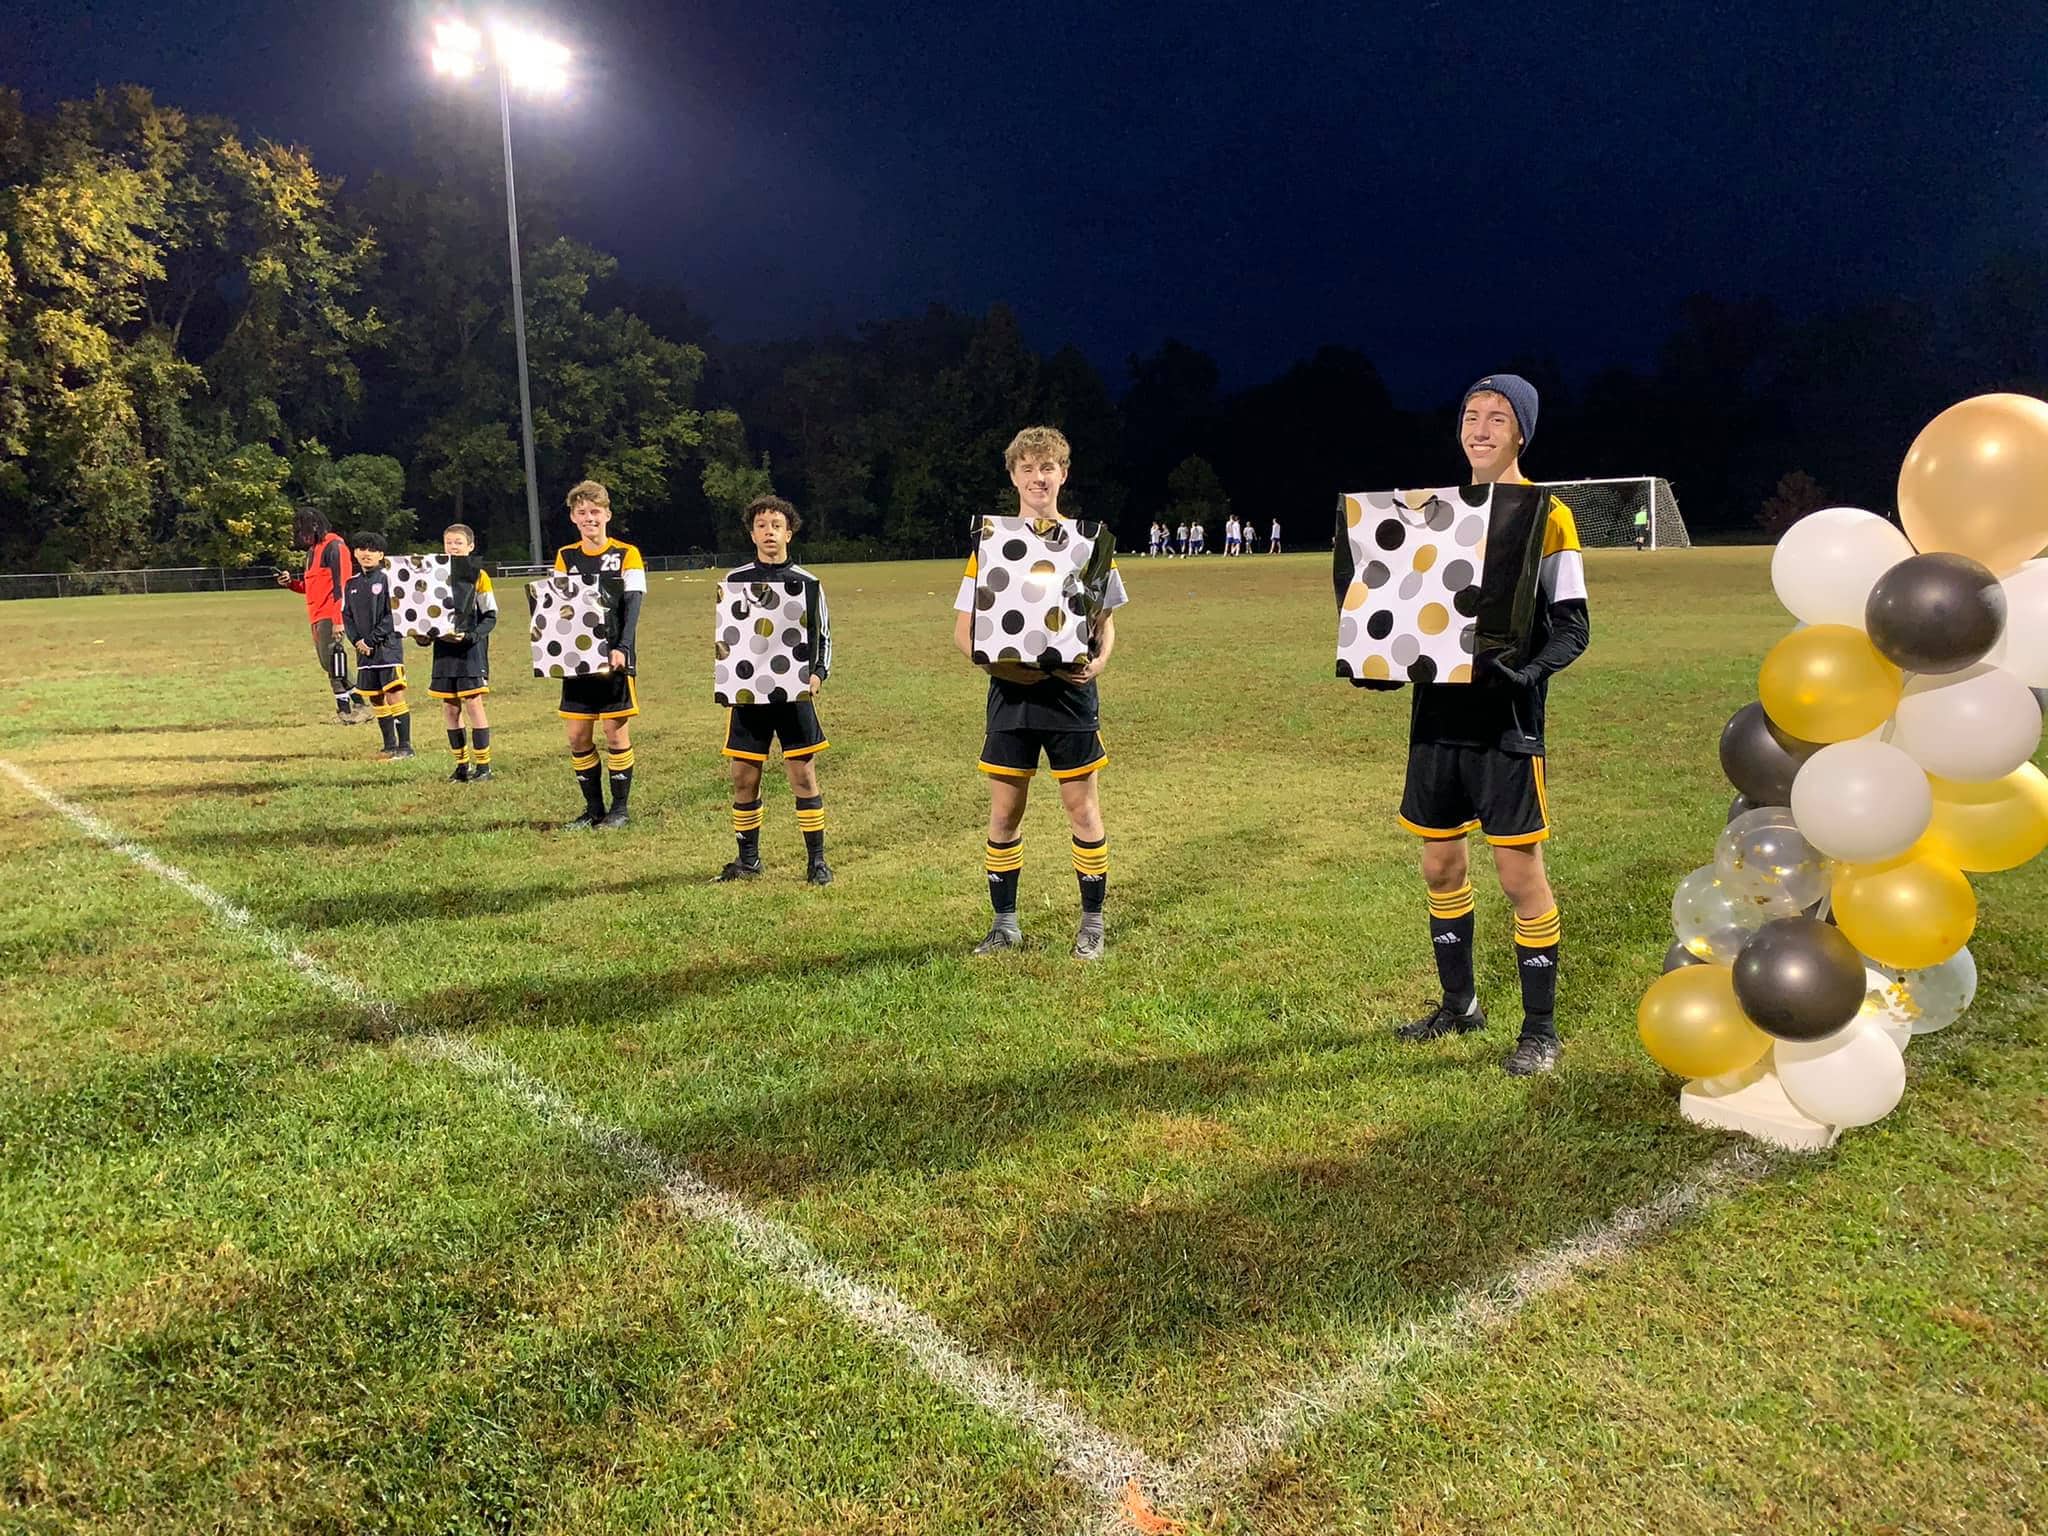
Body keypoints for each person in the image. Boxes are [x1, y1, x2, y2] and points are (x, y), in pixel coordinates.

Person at [1357, 373, 1589, 1076]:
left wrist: (1526, 674)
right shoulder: (1431, 513)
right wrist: (1378, 661)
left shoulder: (1546, 515)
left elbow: (1573, 626)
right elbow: (1404, 617)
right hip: (1436, 724)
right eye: (1471, 415)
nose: (1481, 428)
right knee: (1439, 865)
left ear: (1522, 432)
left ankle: (1540, 1030)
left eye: (1498, 418)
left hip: (1505, 730)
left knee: (1521, 877)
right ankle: (1460, 1007)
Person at [953, 426, 1127, 960]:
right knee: (1005, 813)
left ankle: (1091, 924)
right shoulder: (990, 544)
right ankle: (1005, 926)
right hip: (1011, 696)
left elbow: (1106, 620)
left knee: (1083, 809)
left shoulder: (1090, 542)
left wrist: (1099, 660)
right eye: (1026, 468)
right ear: (1013, 477)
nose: (1037, 476)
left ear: (1063, 473)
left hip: (1071, 696)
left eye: (1047, 466)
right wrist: (998, 666)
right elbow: (964, 631)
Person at [714, 494, 835, 886]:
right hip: (749, 695)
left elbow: (822, 635)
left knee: (803, 775)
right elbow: (726, 639)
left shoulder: (808, 584)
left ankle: (816, 862)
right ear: (752, 534)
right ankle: (748, 860)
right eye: (762, 525)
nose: (770, 532)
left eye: (777, 526)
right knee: (743, 776)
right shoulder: (734, 582)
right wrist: (728, 678)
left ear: (789, 533)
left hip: (793, 693)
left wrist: (818, 673)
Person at [553, 481, 646, 830]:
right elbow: (558, 608)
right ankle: (593, 810)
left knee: (614, 732)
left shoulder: (627, 554)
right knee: (577, 735)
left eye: (595, 511)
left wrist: (622, 647)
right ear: (573, 518)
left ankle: (619, 810)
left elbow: (633, 604)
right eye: (582, 512)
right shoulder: (566, 556)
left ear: (607, 514)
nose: (589, 518)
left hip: (613, 658)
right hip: (577, 660)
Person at [424, 523, 497, 782]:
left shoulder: (478, 576)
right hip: (444, 650)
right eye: (448, 542)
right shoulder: (434, 575)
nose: (452, 547)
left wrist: (470, 636)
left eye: (458, 542)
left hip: (470, 650)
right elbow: (427, 616)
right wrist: (424, 635)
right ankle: (461, 765)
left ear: (470, 546)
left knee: (474, 703)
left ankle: (484, 766)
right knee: (450, 706)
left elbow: (490, 616)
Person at [276, 506, 361, 723]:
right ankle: (351, 706)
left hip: (330, 614)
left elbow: (341, 584)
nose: (302, 536)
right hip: (315, 614)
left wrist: (338, 619)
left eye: (304, 531)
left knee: (333, 661)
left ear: (315, 526)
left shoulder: (335, 546)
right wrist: (291, 584)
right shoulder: (312, 552)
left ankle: (355, 706)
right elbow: (311, 586)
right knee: (328, 663)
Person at [341, 530, 413, 761]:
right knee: (375, 697)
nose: (366, 554)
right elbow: (347, 616)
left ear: (381, 554)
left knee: (393, 694)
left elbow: (394, 614)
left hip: (387, 648)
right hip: (364, 652)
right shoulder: (351, 583)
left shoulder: (389, 579)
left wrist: (371, 640)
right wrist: (357, 641)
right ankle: (389, 745)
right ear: (355, 553)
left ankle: (405, 746)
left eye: (372, 550)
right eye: (362, 549)